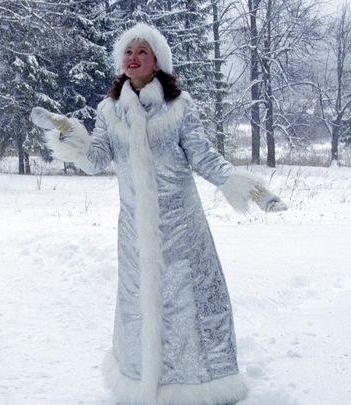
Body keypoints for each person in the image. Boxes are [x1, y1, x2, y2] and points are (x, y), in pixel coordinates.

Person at [31, 23, 286, 404]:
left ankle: (200, 386)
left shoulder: (180, 108)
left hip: (182, 231)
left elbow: (203, 156)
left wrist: (248, 187)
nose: (133, 58)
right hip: (135, 233)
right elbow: (95, 160)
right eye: (128, 52)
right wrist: (71, 136)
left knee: (187, 307)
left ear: (158, 62)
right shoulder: (109, 111)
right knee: (139, 306)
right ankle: (140, 381)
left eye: (142, 52)